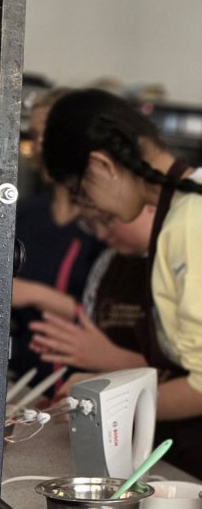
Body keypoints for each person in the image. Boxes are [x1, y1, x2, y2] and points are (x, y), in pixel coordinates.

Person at [41, 89, 202, 485]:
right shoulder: (198, 197)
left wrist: (107, 405)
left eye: (82, 195)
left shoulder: (192, 220)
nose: (94, 211)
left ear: (101, 165)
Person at [10, 87, 105, 391]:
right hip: (24, 384)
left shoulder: (110, 224)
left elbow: (119, 321)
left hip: (88, 384)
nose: (39, 146)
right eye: (34, 135)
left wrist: (38, 294)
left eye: (47, 135)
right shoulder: (23, 214)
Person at [17, 207, 152, 375]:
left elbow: (183, 377)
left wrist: (109, 358)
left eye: (108, 219)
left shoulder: (177, 259)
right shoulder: (109, 261)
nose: (101, 234)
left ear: (150, 206)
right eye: (91, 224)